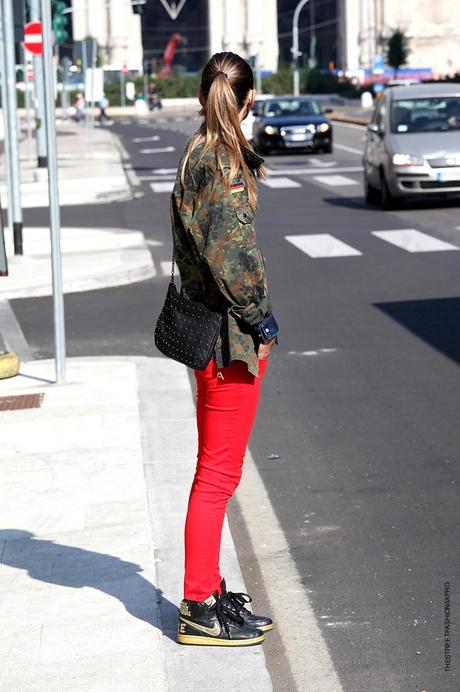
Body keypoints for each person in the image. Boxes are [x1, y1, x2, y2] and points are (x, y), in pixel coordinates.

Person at [170, 51, 279, 647]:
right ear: (247, 100)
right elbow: (233, 258)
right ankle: (197, 603)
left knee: (216, 471)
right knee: (217, 474)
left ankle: (208, 590)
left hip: (209, 330)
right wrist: (262, 319)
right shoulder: (221, 161)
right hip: (227, 337)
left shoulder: (195, 151)